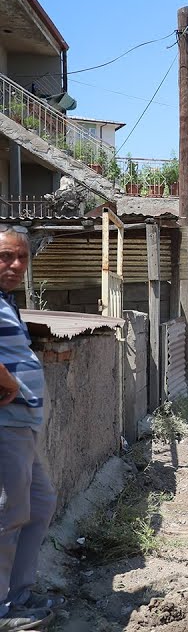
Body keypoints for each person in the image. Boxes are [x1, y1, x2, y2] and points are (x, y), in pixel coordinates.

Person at [0, 226, 60, 630]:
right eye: (6, 256)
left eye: (22, 257)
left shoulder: (7, 302)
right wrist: (6, 380)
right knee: (8, 513)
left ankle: (20, 594)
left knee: (39, 505)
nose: (17, 265)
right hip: (5, 423)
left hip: (24, 423)